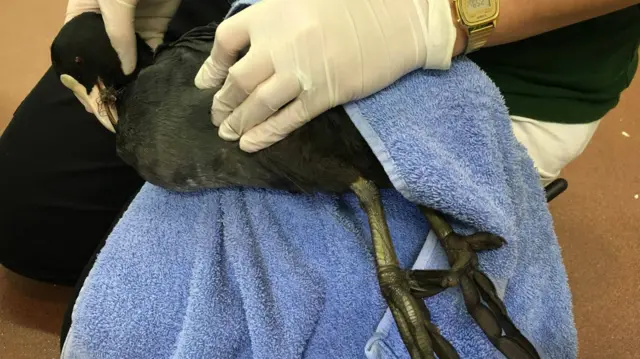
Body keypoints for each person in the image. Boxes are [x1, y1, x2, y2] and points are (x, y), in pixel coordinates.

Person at [0, 0, 637, 316]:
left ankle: (468, 196)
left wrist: (436, 17)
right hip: (270, 11)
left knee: (158, 333)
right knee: (29, 211)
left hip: (487, 45)